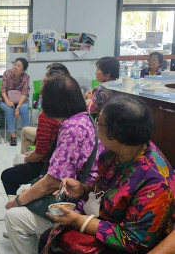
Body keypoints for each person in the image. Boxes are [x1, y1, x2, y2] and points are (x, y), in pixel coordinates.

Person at [41, 95, 175, 254]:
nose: (95, 125)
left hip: (128, 245)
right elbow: (108, 190)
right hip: (106, 222)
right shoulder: (115, 153)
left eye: (99, 122)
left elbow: (133, 241)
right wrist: (84, 190)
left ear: (117, 134)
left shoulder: (156, 183)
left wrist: (79, 221)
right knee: (48, 238)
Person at [4, 74, 104, 254]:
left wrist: (18, 202)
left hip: (75, 206)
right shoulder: (85, 118)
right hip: (81, 191)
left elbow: (52, 182)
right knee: (23, 190)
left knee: (13, 215)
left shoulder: (71, 129)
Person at [1, 63, 70, 196]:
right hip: (63, 161)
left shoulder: (47, 114)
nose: (41, 84)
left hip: (50, 166)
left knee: (7, 175)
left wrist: (27, 159)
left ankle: (21, 201)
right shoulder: (73, 106)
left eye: (44, 81)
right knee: (26, 130)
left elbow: (41, 154)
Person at [0, 58, 30, 146]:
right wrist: (7, 102)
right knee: (9, 109)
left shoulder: (26, 77)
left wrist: (18, 107)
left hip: (20, 101)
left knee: (24, 108)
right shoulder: (7, 74)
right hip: (5, 100)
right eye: (15, 64)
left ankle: (26, 135)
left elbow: (25, 93)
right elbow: (3, 90)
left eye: (19, 66)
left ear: (23, 70)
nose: (15, 67)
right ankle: (13, 135)